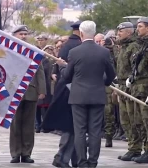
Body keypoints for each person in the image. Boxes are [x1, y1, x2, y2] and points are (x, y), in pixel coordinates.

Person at [57, 20, 116, 167]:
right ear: (94, 33)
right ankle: (93, 162)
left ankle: (82, 162)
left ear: (81, 33)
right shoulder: (104, 52)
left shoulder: (74, 52)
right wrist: (105, 82)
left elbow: (67, 76)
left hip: (78, 97)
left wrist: (61, 68)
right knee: (95, 131)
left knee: (80, 131)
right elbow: (111, 74)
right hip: (97, 95)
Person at [42, 21, 82, 168]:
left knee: (72, 127)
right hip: (71, 91)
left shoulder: (67, 46)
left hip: (65, 89)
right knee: (71, 127)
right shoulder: (77, 46)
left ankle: (74, 159)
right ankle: (61, 158)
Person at [9, 25, 46, 163]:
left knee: (29, 125)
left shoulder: (33, 51)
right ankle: (15, 152)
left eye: (25, 34)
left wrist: (42, 90)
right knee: (15, 124)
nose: (23, 36)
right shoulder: (9, 50)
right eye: (20, 34)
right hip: (14, 91)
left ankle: (26, 153)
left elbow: (39, 71)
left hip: (31, 90)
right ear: (14, 35)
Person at [115, 22, 142, 161]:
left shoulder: (134, 46)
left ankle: (136, 148)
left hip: (131, 88)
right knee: (125, 120)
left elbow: (135, 69)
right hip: (121, 87)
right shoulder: (122, 47)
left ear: (129, 32)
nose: (118, 33)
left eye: (121, 31)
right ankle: (132, 147)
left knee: (134, 119)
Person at [127, 17, 148, 164]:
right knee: (139, 121)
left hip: (146, 88)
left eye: (140, 26)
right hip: (138, 88)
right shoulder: (141, 45)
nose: (137, 29)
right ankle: (141, 149)